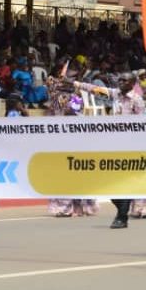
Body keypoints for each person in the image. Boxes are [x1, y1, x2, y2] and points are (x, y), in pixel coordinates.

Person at [75, 73, 146, 225]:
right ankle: (122, 211)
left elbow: (143, 123)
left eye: (125, 80)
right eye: (120, 79)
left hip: (130, 146)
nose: (121, 82)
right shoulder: (114, 94)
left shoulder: (137, 100)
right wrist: (77, 84)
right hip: (114, 144)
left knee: (125, 181)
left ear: (132, 83)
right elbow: (96, 89)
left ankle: (122, 216)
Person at [45, 77, 98, 218]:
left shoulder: (76, 98)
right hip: (60, 139)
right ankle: (64, 207)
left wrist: (68, 105)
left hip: (75, 139)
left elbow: (74, 111)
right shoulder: (55, 99)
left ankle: (82, 206)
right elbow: (51, 114)